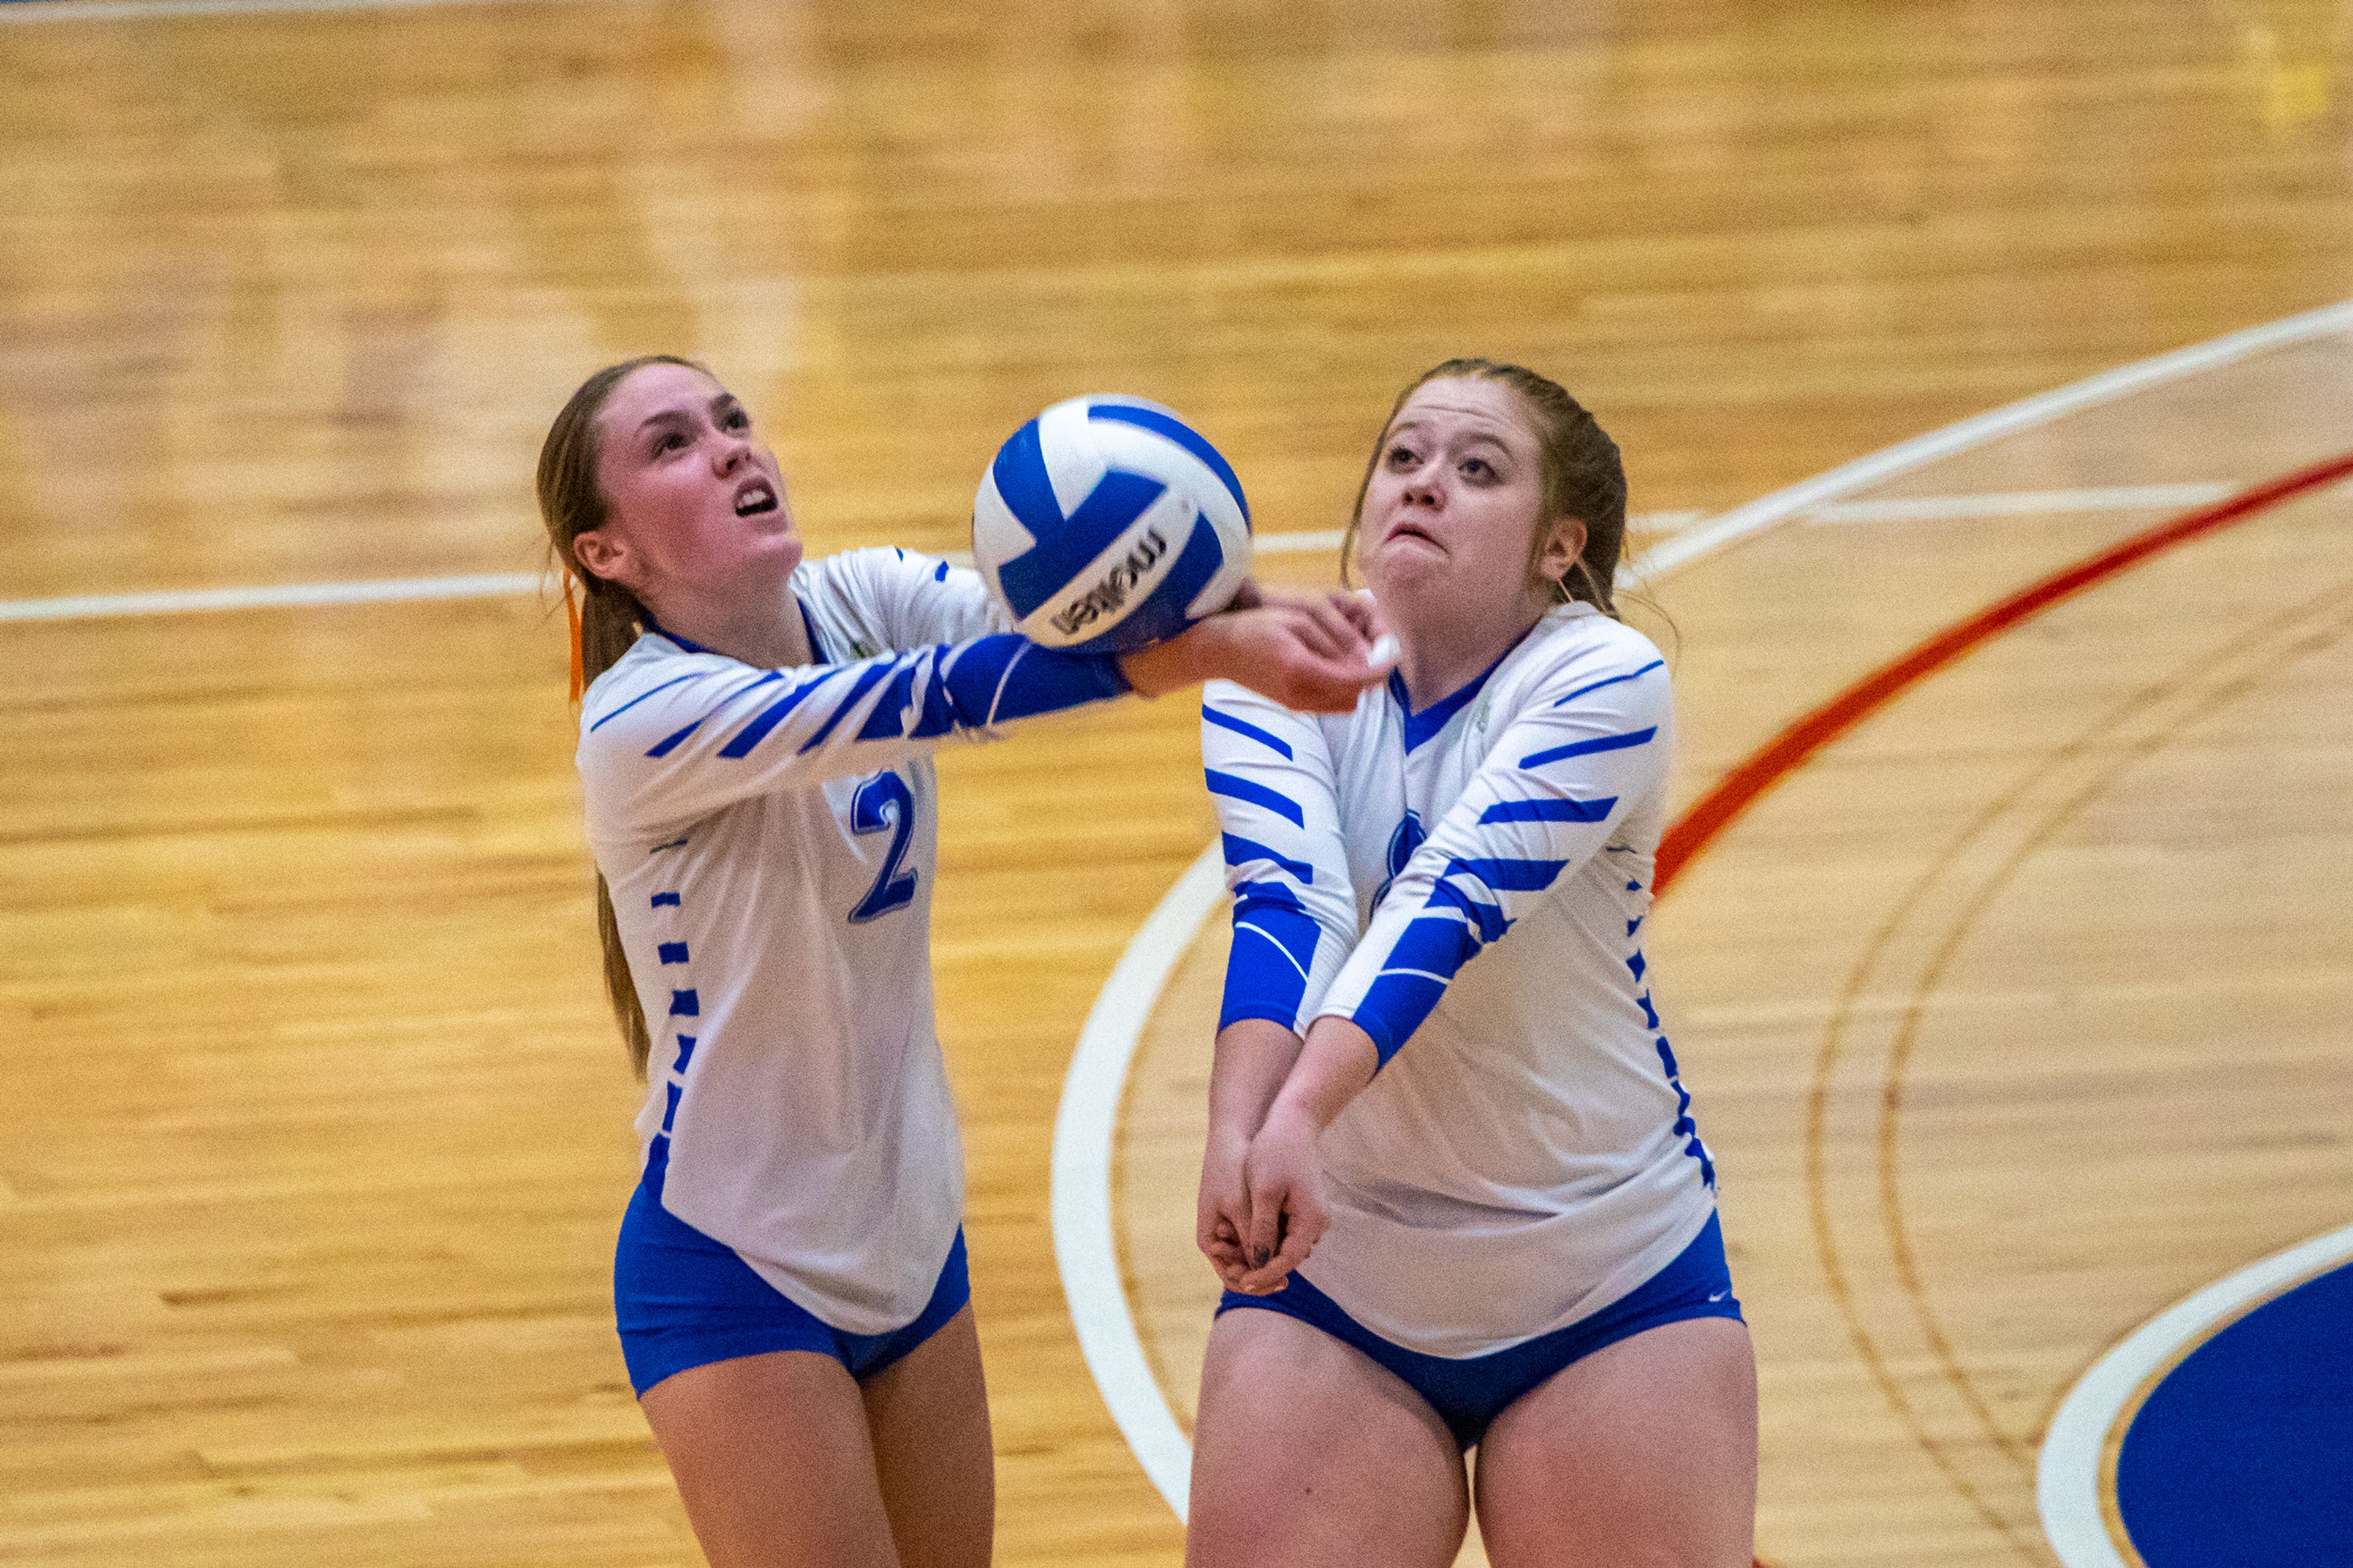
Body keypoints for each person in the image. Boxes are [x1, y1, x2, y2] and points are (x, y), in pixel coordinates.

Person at [538, 354, 1393, 1568]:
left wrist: (1247, 597)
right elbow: (943, 695)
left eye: (732, 418)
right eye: (671, 444)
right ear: (605, 552)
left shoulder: (865, 593)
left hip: (911, 1241)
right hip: (737, 1263)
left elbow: (1068, 621)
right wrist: (1219, 653)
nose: (731, 446)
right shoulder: (638, 720)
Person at [1188, 359, 1757, 1567]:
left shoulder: (1603, 678)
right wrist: (1239, 1138)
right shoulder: (1279, 665)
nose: (1425, 484)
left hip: (1603, 1273)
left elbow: (1445, 905)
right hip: (1343, 1275)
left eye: (1476, 466)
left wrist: (1293, 1111)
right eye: (1404, 457)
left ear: (1561, 544)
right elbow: (1288, 907)